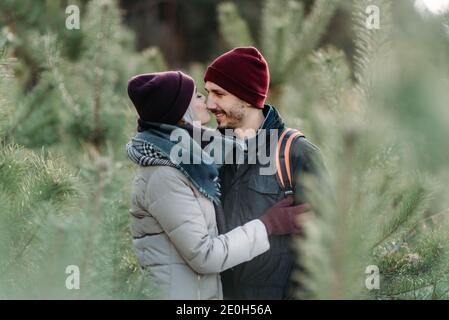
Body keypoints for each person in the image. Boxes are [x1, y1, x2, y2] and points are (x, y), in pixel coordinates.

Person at [126, 71, 311, 300]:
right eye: (198, 96)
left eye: (215, 94)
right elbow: (205, 255)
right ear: (181, 111)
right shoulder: (165, 175)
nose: (207, 102)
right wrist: (269, 224)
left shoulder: (192, 159)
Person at [203, 47, 326, 299]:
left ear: (246, 98)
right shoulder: (210, 154)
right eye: (207, 93)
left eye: (218, 93)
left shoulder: (297, 154)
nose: (209, 104)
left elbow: (325, 250)